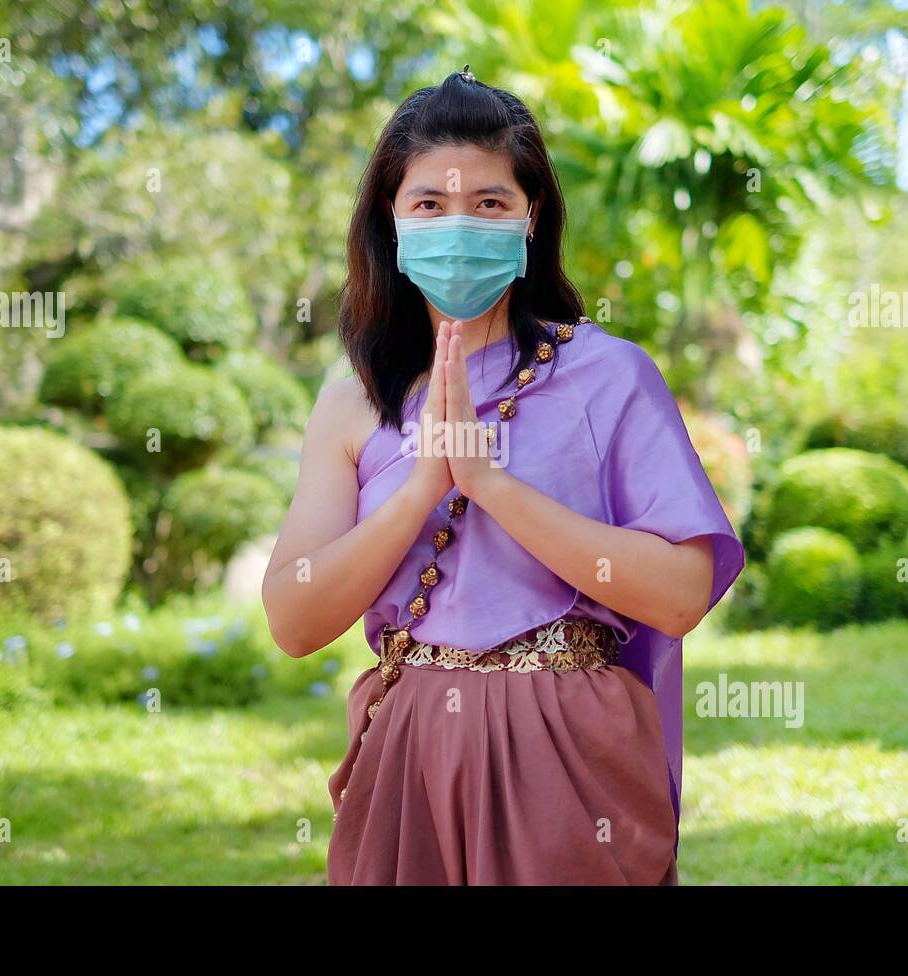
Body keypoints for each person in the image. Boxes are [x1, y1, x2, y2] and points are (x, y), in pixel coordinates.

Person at [261, 66, 745, 885]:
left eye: (489, 203)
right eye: (429, 204)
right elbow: (296, 620)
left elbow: (679, 593)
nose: (459, 225)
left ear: (530, 220)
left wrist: (492, 485)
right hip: (410, 751)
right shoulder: (352, 405)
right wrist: (423, 484)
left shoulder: (610, 376)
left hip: (571, 756)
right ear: (391, 222)